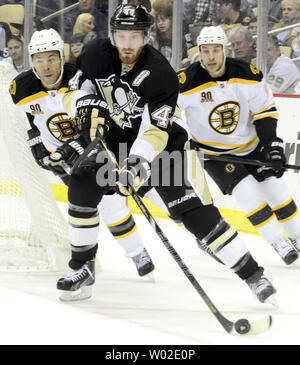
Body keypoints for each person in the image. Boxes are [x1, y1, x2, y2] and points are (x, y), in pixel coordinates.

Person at [54, 4, 277, 304]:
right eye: (122, 36)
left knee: (192, 213)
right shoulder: (96, 53)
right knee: (82, 183)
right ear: (113, 35)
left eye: (134, 36)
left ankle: (253, 275)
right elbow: (75, 89)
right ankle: (82, 267)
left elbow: (155, 130)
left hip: (161, 147)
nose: (128, 44)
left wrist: (136, 163)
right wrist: (82, 105)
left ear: (145, 36)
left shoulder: (160, 73)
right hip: (113, 139)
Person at [9, 28, 155, 291]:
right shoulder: (21, 88)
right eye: (39, 59)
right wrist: (38, 148)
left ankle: (134, 253)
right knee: (91, 206)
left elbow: (96, 124)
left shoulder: (81, 80)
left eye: (52, 58)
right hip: (61, 159)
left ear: (62, 57)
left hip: (93, 151)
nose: (46, 66)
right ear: (32, 61)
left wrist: (72, 147)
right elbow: (32, 119)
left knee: (110, 204)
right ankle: (88, 264)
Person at [177, 26, 300, 271]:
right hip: (215, 155)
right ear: (199, 53)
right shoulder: (185, 82)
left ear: (226, 50)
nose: (210, 57)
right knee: (247, 194)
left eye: (215, 50)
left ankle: (296, 235)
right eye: (205, 51)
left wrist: (271, 146)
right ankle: (279, 243)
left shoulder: (247, 74)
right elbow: (173, 116)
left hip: (252, 146)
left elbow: (264, 112)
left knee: (276, 189)